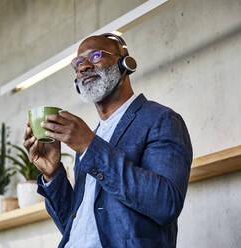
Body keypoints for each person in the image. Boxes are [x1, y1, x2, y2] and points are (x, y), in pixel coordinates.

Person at [23, 33, 193, 248]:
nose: (83, 66)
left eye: (95, 56)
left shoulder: (161, 119)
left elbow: (165, 203)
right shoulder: (89, 139)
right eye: (77, 63)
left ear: (125, 64)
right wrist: (53, 174)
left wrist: (89, 146)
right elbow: (76, 226)